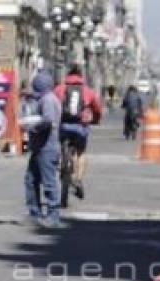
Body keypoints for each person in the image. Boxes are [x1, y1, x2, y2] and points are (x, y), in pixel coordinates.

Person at [54, 63, 103, 199]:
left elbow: (53, 103)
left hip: (63, 126)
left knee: (58, 146)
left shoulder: (60, 88)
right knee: (81, 152)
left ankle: (61, 164)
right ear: (81, 76)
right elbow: (97, 108)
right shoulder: (87, 90)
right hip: (80, 127)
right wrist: (96, 119)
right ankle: (78, 179)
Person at [21, 70, 62, 228]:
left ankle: (53, 215)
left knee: (49, 182)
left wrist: (32, 128)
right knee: (30, 180)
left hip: (47, 148)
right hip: (40, 147)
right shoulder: (46, 98)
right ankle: (34, 213)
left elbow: (48, 120)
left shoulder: (48, 100)